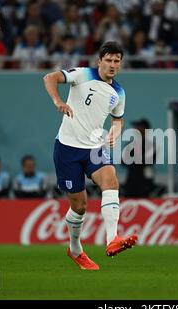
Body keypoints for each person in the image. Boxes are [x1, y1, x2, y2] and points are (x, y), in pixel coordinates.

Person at [43, 41, 138, 271]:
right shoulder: (83, 74)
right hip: (67, 148)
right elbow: (49, 77)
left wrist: (116, 131)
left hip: (94, 149)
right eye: (109, 60)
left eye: (117, 61)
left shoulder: (119, 92)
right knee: (80, 205)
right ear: (100, 61)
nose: (113, 65)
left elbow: (118, 118)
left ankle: (112, 239)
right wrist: (58, 101)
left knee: (111, 179)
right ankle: (75, 250)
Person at [123, 118, 156, 197]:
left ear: (145, 129)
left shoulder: (150, 145)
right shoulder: (130, 145)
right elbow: (123, 161)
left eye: (138, 127)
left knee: (144, 204)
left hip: (144, 182)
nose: (135, 129)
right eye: (135, 127)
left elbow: (148, 161)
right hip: (130, 182)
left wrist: (132, 160)